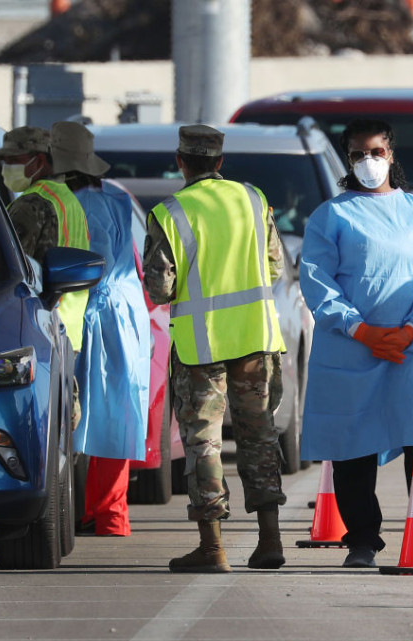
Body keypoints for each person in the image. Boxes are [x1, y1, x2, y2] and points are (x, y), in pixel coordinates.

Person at [299, 118, 413, 568]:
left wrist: (410, 330)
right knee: (353, 444)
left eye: (375, 151)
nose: (367, 162)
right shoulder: (331, 215)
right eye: (357, 154)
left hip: (411, 348)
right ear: (347, 160)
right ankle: (362, 538)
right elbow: (317, 281)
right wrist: (361, 330)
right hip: (352, 349)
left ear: (391, 154)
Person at [144, 124, 287, 573]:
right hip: (256, 341)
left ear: (180, 161)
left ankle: (213, 549)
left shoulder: (170, 213)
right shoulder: (253, 199)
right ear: (220, 162)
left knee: (204, 445)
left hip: (200, 348)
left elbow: (159, 287)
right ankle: (270, 541)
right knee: (259, 437)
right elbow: (275, 266)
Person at [51, 121, 150, 537]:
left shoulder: (80, 204)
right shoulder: (114, 196)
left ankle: (108, 513)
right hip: (121, 313)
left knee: (92, 414)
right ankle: (104, 510)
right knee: (112, 413)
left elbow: (95, 265)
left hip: (96, 312)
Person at [0, 125, 91, 426]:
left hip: (38, 331)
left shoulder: (31, 205)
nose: (7, 167)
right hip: (67, 330)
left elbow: (8, 272)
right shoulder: (69, 200)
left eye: (14, 159)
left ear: (39, 160)